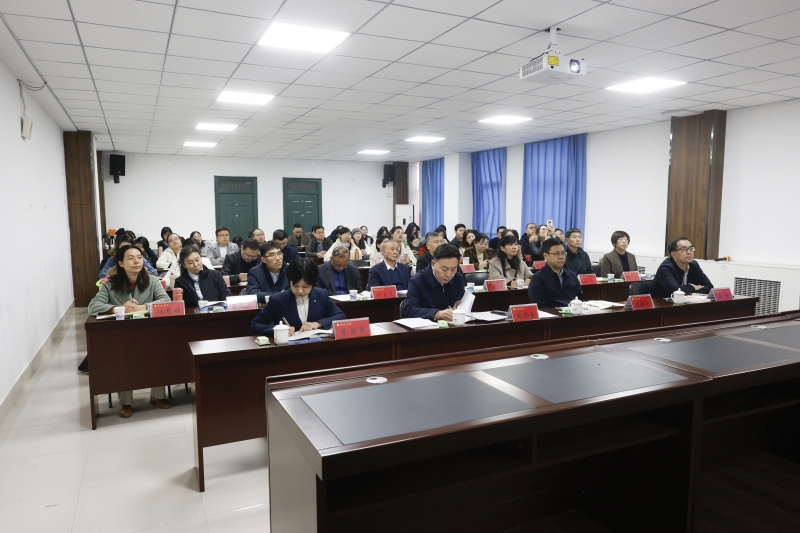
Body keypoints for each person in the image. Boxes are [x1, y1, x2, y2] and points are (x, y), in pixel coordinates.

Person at [88, 244, 171, 417]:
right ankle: (126, 403)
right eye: (131, 258)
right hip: (122, 334)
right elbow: (93, 306)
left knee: (159, 352)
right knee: (123, 357)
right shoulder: (110, 284)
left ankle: (158, 396)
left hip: (149, 332)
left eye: (139, 257)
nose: (136, 262)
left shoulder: (152, 280)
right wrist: (119, 309)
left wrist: (143, 307)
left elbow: (165, 300)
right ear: (120, 263)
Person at [249, 259, 346, 336]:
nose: (300, 291)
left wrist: (318, 323)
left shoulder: (321, 295)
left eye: (305, 287)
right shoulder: (277, 300)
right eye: (295, 286)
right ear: (289, 282)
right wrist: (277, 329)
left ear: (313, 284)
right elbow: (254, 326)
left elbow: (340, 316)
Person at [401, 244, 465, 320]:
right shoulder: (417, 281)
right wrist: (436, 314)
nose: (449, 274)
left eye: (453, 269)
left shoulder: (458, 278)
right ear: (433, 264)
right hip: (427, 326)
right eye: (444, 269)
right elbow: (409, 310)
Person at [528, 238, 584, 309]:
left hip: (574, 313)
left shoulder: (572, 275)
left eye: (563, 253)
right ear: (545, 255)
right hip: (551, 315)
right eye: (556, 254)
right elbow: (540, 306)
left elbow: (581, 299)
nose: (561, 257)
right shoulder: (538, 278)